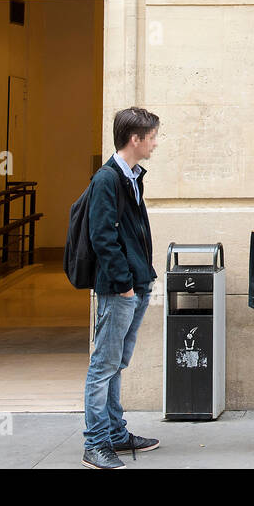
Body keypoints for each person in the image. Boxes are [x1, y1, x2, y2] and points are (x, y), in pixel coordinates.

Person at [82, 106, 161, 469]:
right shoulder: (107, 179)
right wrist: (125, 286)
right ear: (135, 139)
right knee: (104, 365)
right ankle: (96, 443)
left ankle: (115, 433)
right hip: (121, 289)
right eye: (152, 137)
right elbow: (103, 236)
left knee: (116, 364)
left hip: (136, 284)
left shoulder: (132, 176)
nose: (155, 144)